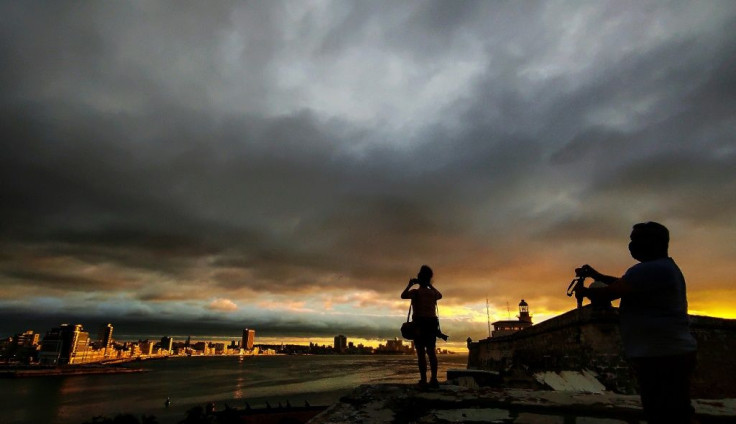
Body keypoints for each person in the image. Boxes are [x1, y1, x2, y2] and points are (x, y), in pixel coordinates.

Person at [576, 222, 697, 424]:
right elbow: (624, 284)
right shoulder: (663, 268)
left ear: (653, 242)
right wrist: (596, 276)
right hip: (670, 354)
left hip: (661, 356)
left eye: (635, 240)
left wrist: (586, 292)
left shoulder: (649, 270)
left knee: (664, 414)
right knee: (676, 412)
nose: (631, 245)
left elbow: (610, 292)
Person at [401, 265, 443, 389]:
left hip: (419, 325)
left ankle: (423, 380)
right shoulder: (432, 293)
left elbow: (403, 295)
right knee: (431, 352)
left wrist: (410, 285)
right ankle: (434, 379)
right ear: (429, 279)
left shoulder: (415, 292)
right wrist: (430, 285)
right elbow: (440, 295)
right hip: (431, 324)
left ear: (419, 278)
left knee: (420, 353)